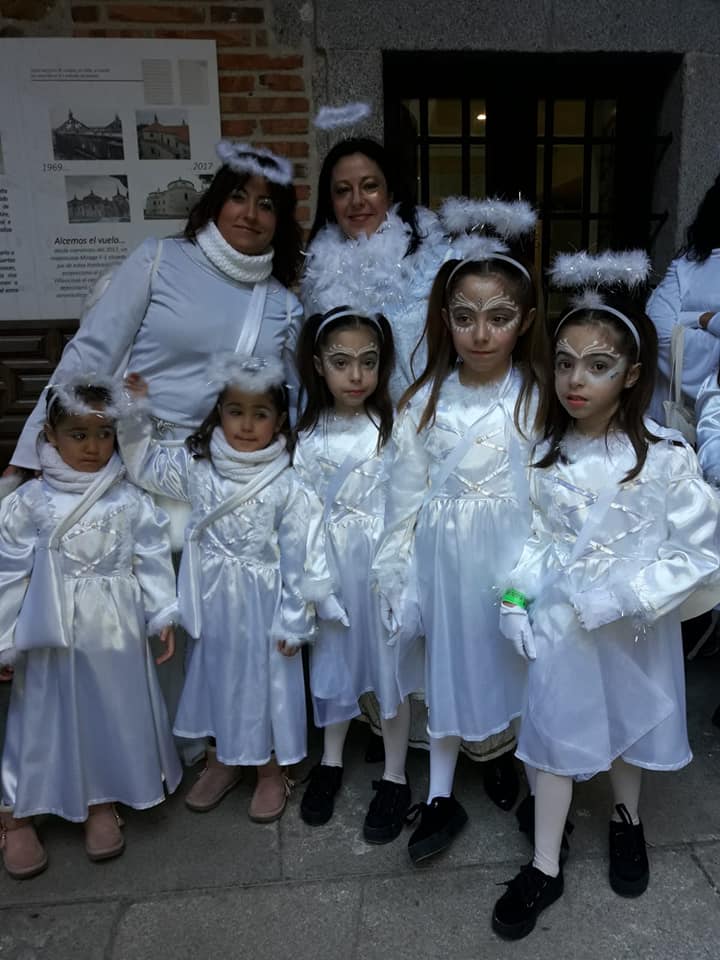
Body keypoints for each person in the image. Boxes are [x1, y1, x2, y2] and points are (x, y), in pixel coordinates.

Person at [4, 141, 304, 759]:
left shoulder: (282, 303)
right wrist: (32, 452)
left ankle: (202, 745)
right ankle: (118, 754)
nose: (250, 213)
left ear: (281, 219)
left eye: (267, 204)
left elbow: (285, 400)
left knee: (206, 613)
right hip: (128, 457)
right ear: (215, 202)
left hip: (213, 474)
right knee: (118, 611)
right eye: (238, 197)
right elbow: (92, 353)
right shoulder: (159, 259)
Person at [492, 258, 720, 941]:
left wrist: (626, 595)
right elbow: (534, 540)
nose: (576, 380)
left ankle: (627, 819)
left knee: (627, 724)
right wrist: (513, 596)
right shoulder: (545, 456)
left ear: (631, 373)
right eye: (565, 364)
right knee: (552, 734)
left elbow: (700, 552)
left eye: (598, 366)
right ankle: (544, 862)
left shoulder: (666, 459)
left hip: (631, 627)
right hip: (564, 625)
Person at [372, 199, 546, 864]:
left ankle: (532, 779)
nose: (481, 333)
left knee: (517, 669)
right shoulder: (423, 401)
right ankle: (441, 793)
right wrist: (399, 579)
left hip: (509, 560)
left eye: (499, 317)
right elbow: (402, 501)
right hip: (442, 562)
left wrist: (528, 584)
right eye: (466, 317)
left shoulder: (537, 399)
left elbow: (547, 501)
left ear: (524, 320)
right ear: (445, 319)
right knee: (446, 667)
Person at [118, 356, 323, 823]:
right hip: (213, 600)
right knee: (214, 678)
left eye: (260, 413)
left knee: (267, 684)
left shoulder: (288, 483)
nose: (246, 425)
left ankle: (270, 770)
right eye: (235, 411)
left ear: (280, 420)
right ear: (219, 413)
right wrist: (134, 413)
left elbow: (302, 554)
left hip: (264, 604)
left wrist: (295, 618)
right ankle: (221, 759)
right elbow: (145, 466)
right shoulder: (199, 468)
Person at [0, 377, 180, 879]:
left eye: (103, 434)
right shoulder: (29, 501)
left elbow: (150, 554)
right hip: (50, 629)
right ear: (50, 436)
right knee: (41, 714)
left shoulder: (128, 499)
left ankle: (102, 797)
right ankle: (17, 811)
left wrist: (161, 611)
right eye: (78, 434)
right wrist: (4, 640)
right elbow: (8, 573)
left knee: (109, 711)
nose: (93, 447)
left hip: (115, 630)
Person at [293, 307, 423, 842]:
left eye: (368, 362)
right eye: (341, 362)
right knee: (332, 657)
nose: (356, 375)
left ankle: (395, 774)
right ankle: (330, 759)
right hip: (332, 564)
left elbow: (408, 502)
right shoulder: (308, 435)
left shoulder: (394, 428)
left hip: (379, 562)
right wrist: (315, 583)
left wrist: (397, 574)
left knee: (389, 665)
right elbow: (302, 514)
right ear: (318, 364)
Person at [301, 137, 451, 404]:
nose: (357, 200)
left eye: (370, 186)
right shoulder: (317, 275)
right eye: (343, 191)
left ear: (390, 193)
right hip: (353, 423)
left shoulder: (437, 260)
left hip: (429, 418)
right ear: (331, 203)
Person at [647, 171, 720, 422]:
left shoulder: (686, 268)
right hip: (678, 421)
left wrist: (699, 319)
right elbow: (659, 332)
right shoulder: (686, 265)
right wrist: (704, 319)